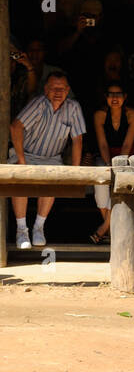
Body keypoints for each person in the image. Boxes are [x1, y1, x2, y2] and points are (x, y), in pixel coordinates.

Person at [8, 72, 86, 249]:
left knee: (51, 181)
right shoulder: (38, 104)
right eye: (54, 88)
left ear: (68, 90)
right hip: (26, 154)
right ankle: (21, 230)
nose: (58, 92)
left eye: (62, 88)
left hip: (51, 158)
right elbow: (15, 127)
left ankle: (38, 228)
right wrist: (21, 160)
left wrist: (75, 171)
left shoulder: (73, 108)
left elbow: (77, 140)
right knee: (20, 183)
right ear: (46, 89)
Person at [87, 84, 134, 244]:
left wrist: (119, 166)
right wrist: (108, 164)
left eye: (118, 94)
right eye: (111, 94)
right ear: (106, 97)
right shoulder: (100, 115)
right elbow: (102, 144)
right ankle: (111, 228)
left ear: (125, 97)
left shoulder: (133, 115)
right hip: (106, 156)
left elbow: (127, 145)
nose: (115, 98)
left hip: (127, 157)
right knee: (101, 183)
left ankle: (104, 229)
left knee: (120, 184)